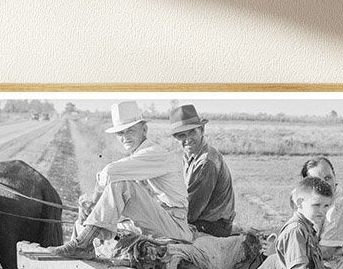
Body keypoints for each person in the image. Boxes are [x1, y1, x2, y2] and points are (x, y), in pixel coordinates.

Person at [45, 101, 192, 258]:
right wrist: (92, 206)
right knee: (87, 211)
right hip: (159, 219)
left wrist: (94, 198)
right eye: (120, 133)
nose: (125, 137)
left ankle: (82, 245)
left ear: (144, 129)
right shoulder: (139, 156)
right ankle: (78, 249)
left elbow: (110, 172)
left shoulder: (154, 153)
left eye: (130, 131)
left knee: (121, 185)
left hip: (175, 225)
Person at [253, 176, 343, 269]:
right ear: (300, 202)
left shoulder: (307, 228)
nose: (322, 211)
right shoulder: (296, 230)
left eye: (326, 206)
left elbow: (317, 268)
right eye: (316, 205)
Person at [169, 103, 236, 237]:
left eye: (192, 132)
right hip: (204, 220)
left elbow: (193, 211)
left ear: (202, 130)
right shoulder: (190, 154)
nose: (187, 139)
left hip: (213, 226)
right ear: (176, 138)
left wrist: (169, 218)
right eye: (182, 135)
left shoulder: (206, 161)